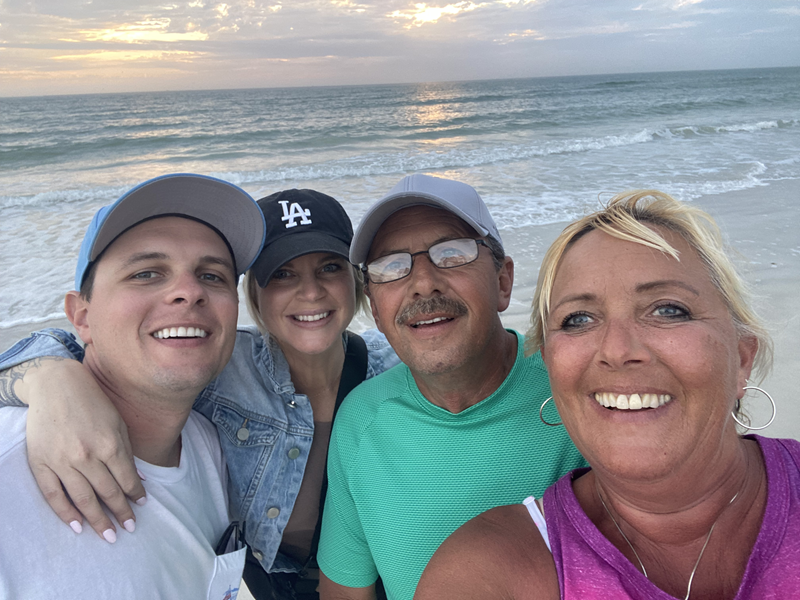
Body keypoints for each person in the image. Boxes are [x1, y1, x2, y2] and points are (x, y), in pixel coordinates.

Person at [0, 188, 400, 599]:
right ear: (255, 294)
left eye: (330, 267)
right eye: (282, 272)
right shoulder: (224, 367)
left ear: (357, 281)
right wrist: (52, 379)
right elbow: (101, 350)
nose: (311, 292)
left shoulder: (398, 369)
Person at [415, 190, 800, 600]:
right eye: (578, 319)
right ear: (550, 367)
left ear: (742, 359)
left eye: (668, 310)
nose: (617, 350)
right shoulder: (487, 574)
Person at [315, 174, 586, 600]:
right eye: (391, 267)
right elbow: (344, 591)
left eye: (452, 253)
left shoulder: (579, 381)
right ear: (375, 308)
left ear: (503, 281)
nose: (423, 283)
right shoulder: (362, 420)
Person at [0, 173, 266, 597]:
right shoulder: (10, 476)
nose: (188, 291)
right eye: (146, 273)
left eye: (212, 276)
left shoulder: (214, 444)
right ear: (82, 317)